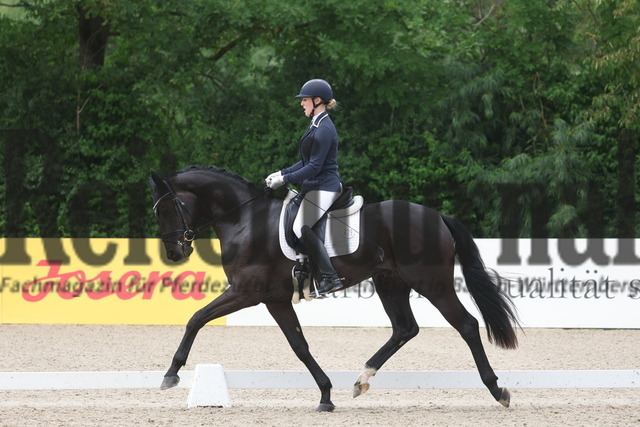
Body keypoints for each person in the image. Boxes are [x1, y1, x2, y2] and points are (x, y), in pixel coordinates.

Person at [265, 78, 344, 298]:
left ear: (317, 101)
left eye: (305, 100)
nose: (302, 104)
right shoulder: (316, 125)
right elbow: (305, 161)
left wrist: (286, 179)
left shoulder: (324, 129)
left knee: (301, 226)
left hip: (325, 187)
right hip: (315, 186)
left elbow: (314, 167)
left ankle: (331, 277)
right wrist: (282, 173)